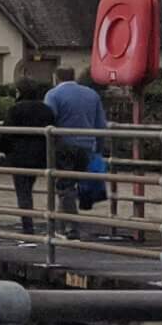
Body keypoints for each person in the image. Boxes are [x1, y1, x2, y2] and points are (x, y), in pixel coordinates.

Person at [44, 66, 109, 226]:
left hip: (64, 145)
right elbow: (100, 124)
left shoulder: (53, 95)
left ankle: (71, 227)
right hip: (87, 145)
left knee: (65, 186)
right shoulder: (91, 94)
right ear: (74, 76)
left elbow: (48, 120)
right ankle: (61, 224)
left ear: (56, 77)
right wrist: (99, 149)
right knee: (72, 185)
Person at [1, 78, 55, 235]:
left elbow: (6, 134)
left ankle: (28, 225)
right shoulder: (46, 109)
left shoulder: (15, 109)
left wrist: (6, 152)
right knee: (40, 188)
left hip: (19, 156)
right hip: (41, 155)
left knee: (23, 191)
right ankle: (50, 223)